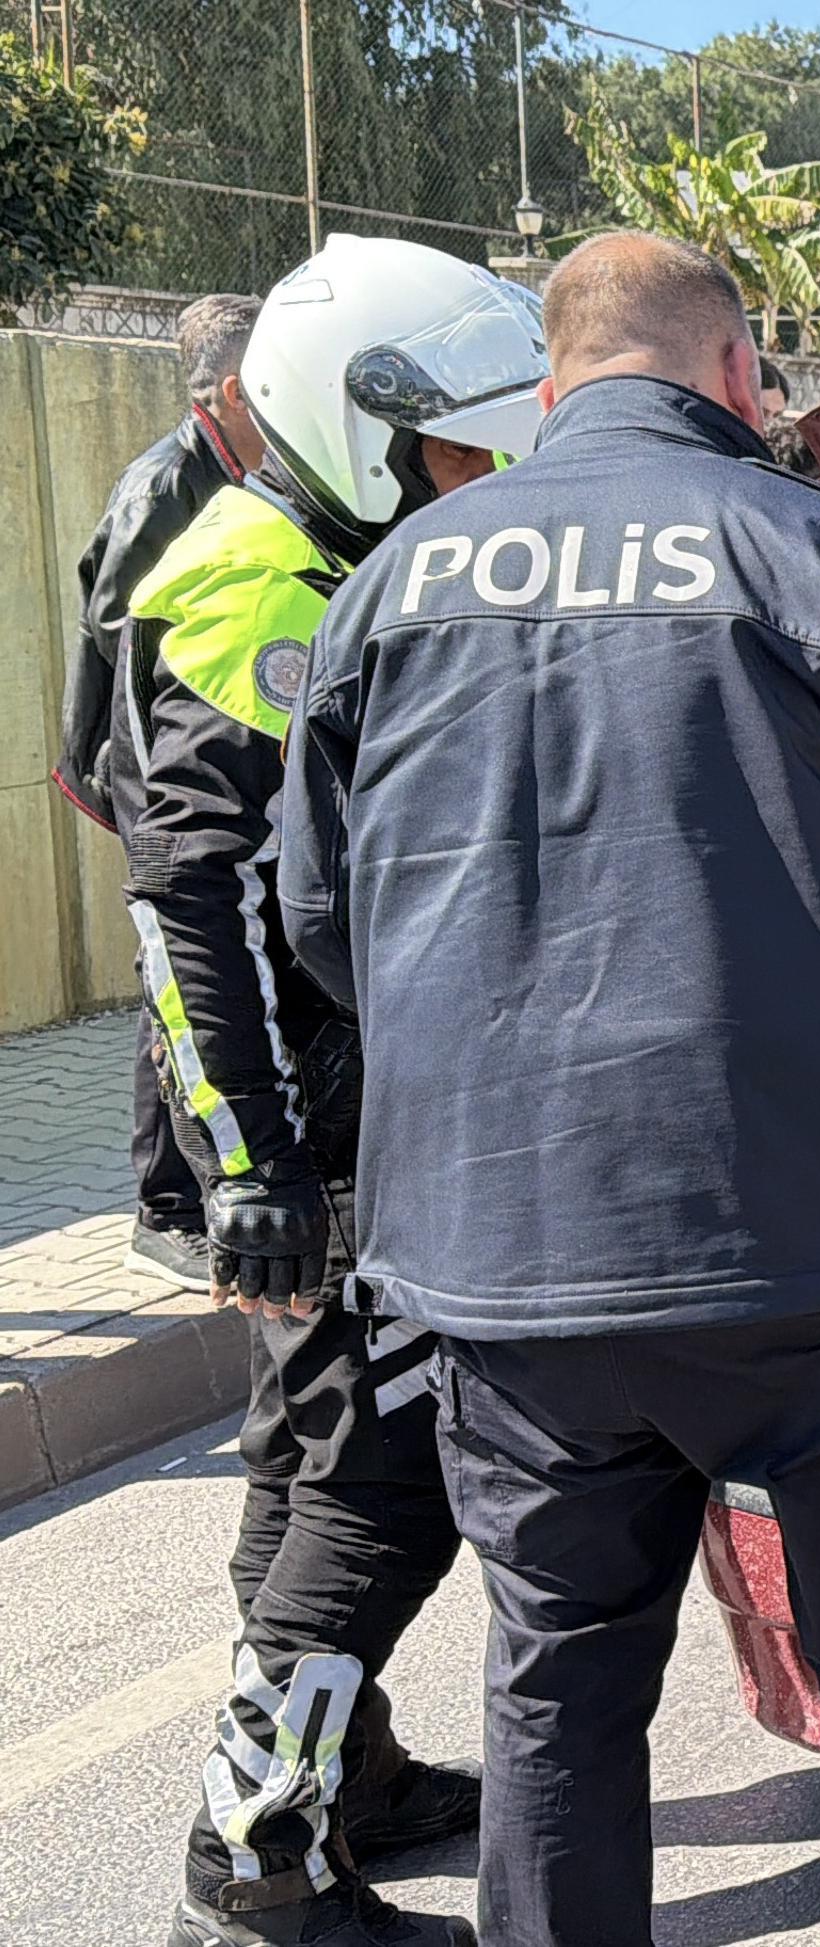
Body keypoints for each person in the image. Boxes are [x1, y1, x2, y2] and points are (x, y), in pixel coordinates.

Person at [277, 232, 820, 1947]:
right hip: (812, 1252)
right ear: (736, 370)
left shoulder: (394, 579)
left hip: (506, 1257)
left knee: (560, 1672)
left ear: (549, 384)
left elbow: (314, 912)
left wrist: (479, 1076)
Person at [148, 236, 549, 1947]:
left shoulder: (324, 555)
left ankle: (349, 1776)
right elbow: (194, 896)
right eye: (463, 446)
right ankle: (254, 1860)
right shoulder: (262, 594)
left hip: (320, 1121)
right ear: (362, 427)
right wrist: (259, 1166)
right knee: (381, 1483)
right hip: (309, 1139)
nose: (487, 477)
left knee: (303, 1457)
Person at [59, 294, 266, 1292]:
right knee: (175, 972)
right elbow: (126, 647)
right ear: (228, 393)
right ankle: (165, 1204)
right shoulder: (165, 487)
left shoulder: (234, 474)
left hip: (190, 757)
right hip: (151, 764)